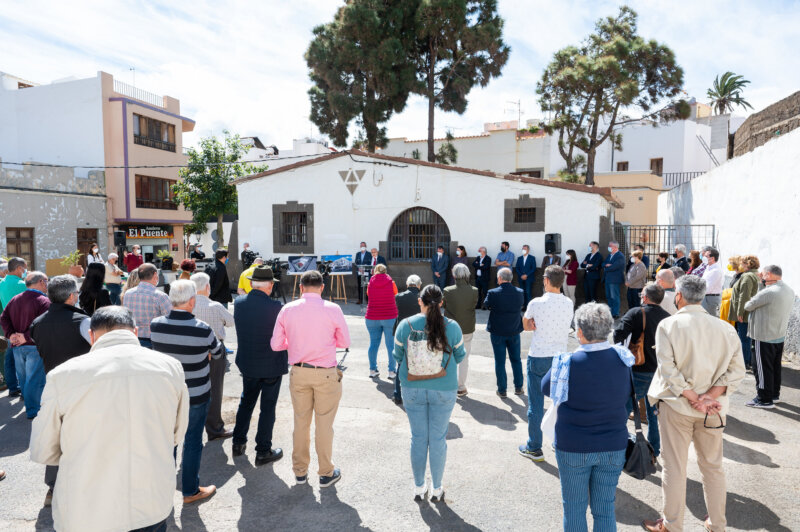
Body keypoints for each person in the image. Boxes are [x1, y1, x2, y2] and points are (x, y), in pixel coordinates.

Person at [30, 306, 189, 532]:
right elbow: (177, 432)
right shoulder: (170, 367)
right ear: (134, 332)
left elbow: (43, 449)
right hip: (151, 500)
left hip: (87, 507)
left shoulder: (63, 375)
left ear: (92, 335)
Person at [643, 275, 745, 532]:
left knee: (674, 467)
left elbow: (668, 369)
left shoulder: (669, 325)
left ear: (678, 295)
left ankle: (672, 525)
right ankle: (717, 524)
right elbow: (737, 371)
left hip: (678, 405)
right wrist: (709, 397)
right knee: (713, 468)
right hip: (713, 409)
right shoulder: (725, 328)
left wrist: (693, 397)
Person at [543, 303, 634, 532]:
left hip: (573, 445)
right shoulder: (623, 359)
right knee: (605, 508)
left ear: (580, 332)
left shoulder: (568, 362)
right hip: (613, 444)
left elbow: (546, 387)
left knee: (573, 507)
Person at [271, 270, 350, 488]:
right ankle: (325, 472)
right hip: (325, 372)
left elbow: (276, 345)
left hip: (299, 371)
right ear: (322, 287)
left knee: (301, 422)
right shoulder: (333, 309)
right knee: (324, 424)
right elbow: (344, 340)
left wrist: (295, 343)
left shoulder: (287, 309)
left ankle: (300, 472)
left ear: (301, 287)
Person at [150, 280, 223, 504]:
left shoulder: (156, 325)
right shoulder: (202, 329)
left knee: (167, 441)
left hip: (166, 393)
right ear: (192, 301)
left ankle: (163, 489)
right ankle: (190, 490)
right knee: (192, 441)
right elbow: (218, 354)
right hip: (196, 393)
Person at [393, 284, 466, 502]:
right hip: (444, 387)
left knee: (418, 437)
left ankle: (418, 486)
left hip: (412, 386)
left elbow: (397, 356)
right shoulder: (452, 327)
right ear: (442, 302)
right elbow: (460, 356)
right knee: (437, 438)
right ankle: (437, 487)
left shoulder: (406, 325)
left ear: (419, 301)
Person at [30, 275, 91, 507]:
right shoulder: (83, 321)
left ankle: (53, 489)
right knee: (84, 437)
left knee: (56, 437)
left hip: (53, 387)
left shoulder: (37, 323)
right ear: (71, 296)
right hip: (82, 388)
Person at [231, 266, 288, 465]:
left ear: (252, 283)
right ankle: (263, 450)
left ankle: (238, 442)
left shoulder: (239, 303)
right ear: (270, 285)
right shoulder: (276, 307)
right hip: (271, 363)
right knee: (267, 408)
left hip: (248, 362)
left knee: (246, 402)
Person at [519, 265, 574, 462]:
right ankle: (558, 440)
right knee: (559, 403)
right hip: (560, 357)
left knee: (535, 403)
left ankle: (534, 446)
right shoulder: (569, 303)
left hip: (539, 355)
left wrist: (533, 324)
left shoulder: (536, 303)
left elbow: (526, 325)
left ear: (546, 280)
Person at [613, 282, 671, 457]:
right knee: (653, 413)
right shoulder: (668, 317)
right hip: (659, 370)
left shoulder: (636, 313)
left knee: (625, 408)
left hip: (638, 369)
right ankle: (654, 449)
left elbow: (618, 335)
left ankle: (615, 443)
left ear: (645, 297)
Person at [191, 272, 235, 440]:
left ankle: (195, 425)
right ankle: (214, 427)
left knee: (193, 387)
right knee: (215, 388)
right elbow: (231, 322)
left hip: (192, 350)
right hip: (215, 348)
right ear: (207, 287)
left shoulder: (188, 305)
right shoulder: (215, 306)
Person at [744, 265, 795, 408]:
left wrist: (761, 285)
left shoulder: (769, 292)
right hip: (778, 334)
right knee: (774, 367)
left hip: (763, 335)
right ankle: (773, 395)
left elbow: (748, 305)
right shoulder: (788, 289)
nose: (761, 277)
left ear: (768, 275)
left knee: (760, 368)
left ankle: (763, 399)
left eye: (764, 275)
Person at [1, 271, 50, 418]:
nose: (47, 285)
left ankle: (31, 408)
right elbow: (45, 324)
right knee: (34, 380)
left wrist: (12, 335)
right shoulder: (43, 301)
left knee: (24, 380)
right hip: (34, 346)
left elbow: (3, 318)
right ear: (41, 282)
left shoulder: (15, 299)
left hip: (18, 347)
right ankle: (33, 410)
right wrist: (24, 337)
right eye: (46, 281)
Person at [485, 267, 524, 397]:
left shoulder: (493, 292)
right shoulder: (519, 292)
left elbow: (486, 305)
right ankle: (519, 387)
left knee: (500, 361)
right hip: (514, 330)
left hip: (498, 331)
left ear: (500, 278)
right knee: (516, 360)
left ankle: (502, 390)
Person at [443, 263, 478, 397]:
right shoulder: (474, 290)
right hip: (467, 327)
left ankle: (447, 383)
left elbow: (444, 305)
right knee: (464, 358)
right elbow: (474, 305)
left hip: (451, 328)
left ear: (454, 275)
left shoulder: (447, 290)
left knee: (449, 356)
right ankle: (461, 386)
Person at [122, 263, 172, 348]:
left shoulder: (128, 294)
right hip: (154, 340)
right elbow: (170, 319)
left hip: (133, 338)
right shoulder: (160, 296)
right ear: (155, 275)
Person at [365, 264, 398, 379]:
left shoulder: (370, 284)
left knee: (373, 344)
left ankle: (372, 370)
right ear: (385, 271)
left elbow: (369, 295)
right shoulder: (391, 283)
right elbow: (395, 294)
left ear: (375, 271)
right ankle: (391, 371)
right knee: (390, 345)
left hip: (372, 317)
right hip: (389, 316)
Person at [393, 275, 423, 404]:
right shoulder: (422, 297)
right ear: (419, 285)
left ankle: (398, 394)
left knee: (401, 363)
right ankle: (418, 394)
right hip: (420, 333)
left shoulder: (398, 297)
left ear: (407, 284)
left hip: (402, 331)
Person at [0, 257, 27, 398]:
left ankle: (12, 387)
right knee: (24, 360)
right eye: (24, 268)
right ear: (18, 269)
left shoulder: (1, 283)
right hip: (22, 326)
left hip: (7, 326)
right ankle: (24, 389)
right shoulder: (22, 284)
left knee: (9, 358)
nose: (25, 271)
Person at [729, 254, 760, 370]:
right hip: (752, 311)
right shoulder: (756, 275)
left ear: (748, 264)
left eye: (742, 263)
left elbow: (744, 296)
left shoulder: (747, 276)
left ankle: (744, 362)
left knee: (744, 338)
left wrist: (740, 312)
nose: (741, 265)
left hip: (745, 312)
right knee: (748, 338)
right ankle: (748, 361)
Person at [602, 241, 625, 318]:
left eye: (610, 246)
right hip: (607, 279)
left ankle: (615, 313)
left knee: (614, 297)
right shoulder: (610, 255)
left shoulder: (620, 256)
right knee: (608, 296)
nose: (608, 247)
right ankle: (610, 312)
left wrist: (607, 267)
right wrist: (606, 265)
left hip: (614, 280)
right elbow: (603, 263)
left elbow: (614, 266)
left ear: (615, 247)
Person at [701, 247, 724, 316]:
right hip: (706, 297)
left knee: (711, 319)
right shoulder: (708, 267)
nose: (703, 258)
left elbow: (708, 288)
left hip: (711, 298)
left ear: (712, 258)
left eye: (706, 256)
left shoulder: (716, 270)